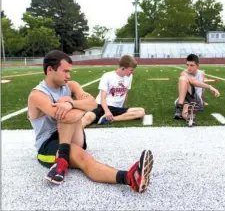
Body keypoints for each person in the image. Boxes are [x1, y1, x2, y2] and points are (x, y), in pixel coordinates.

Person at [28, 50, 153, 193]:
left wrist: (70, 103)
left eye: (70, 72)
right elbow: (67, 117)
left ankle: (62, 160)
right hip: (48, 144)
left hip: (72, 135)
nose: (69, 76)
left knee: (67, 104)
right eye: (65, 71)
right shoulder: (37, 95)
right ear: (50, 69)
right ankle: (130, 178)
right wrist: (77, 104)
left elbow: (93, 104)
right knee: (84, 159)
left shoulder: (70, 85)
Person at [82, 55, 145, 128]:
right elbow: (103, 97)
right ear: (123, 68)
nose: (133, 72)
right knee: (87, 118)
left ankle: (110, 119)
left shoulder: (129, 77)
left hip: (116, 109)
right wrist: (107, 111)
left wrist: (124, 108)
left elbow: (126, 93)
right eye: (131, 70)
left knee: (141, 112)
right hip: (103, 107)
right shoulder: (107, 76)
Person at [173, 54, 220, 126]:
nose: (189, 68)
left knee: (186, 104)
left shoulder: (202, 73)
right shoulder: (184, 73)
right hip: (186, 100)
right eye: (187, 65)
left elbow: (202, 88)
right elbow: (193, 82)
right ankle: (185, 114)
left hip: (196, 101)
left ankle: (180, 109)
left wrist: (203, 101)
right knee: (183, 78)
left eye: (192, 65)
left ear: (197, 65)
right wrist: (210, 86)